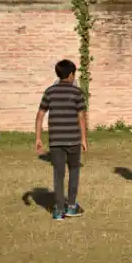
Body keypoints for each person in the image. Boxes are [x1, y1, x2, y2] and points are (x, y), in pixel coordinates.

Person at [35, 59, 88, 221]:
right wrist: (84, 138)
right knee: (73, 171)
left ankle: (58, 210)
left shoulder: (50, 92)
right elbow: (81, 117)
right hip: (73, 140)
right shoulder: (76, 93)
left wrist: (38, 137)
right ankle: (71, 206)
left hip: (55, 141)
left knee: (58, 174)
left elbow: (40, 115)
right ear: (71, 75)